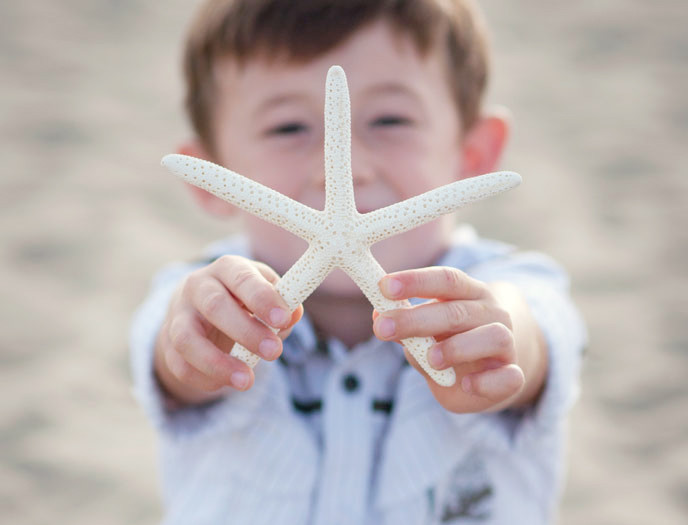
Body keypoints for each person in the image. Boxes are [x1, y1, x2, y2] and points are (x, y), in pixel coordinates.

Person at [130, 0, 586, 523]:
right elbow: (172, 360)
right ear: (209, 175)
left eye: (391, 119)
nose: (342, 167)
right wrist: (194, 349)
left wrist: (498, 341)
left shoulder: (514, 286)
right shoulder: (201, 299)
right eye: (287, 128)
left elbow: (536, 331)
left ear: (473, 154)